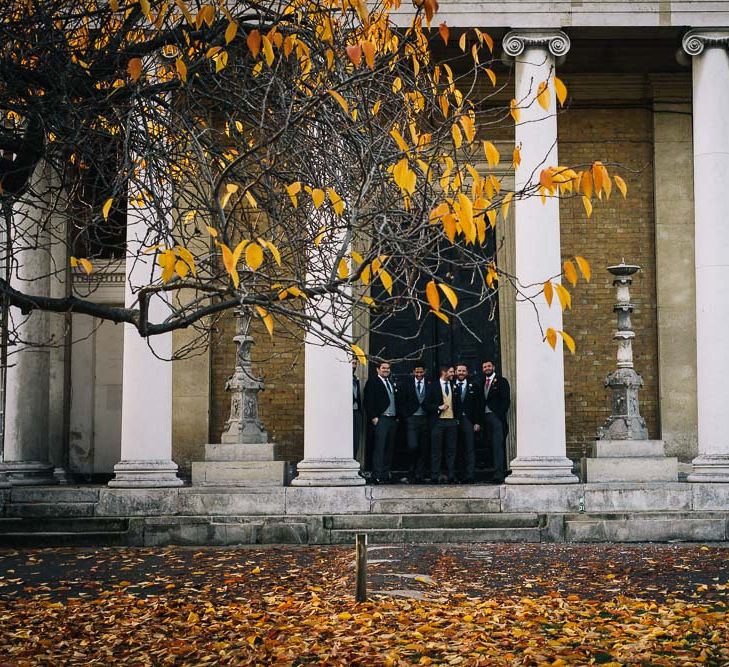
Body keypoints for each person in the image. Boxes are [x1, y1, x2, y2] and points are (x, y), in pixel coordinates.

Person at [363, 361, 399, 484]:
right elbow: (368, 400)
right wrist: (373, 417)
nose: (386, 370)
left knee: (389, 448)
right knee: (380, 448)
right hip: (381, 419)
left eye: (388, 368)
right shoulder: (372, 382)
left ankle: (385, 474)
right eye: (383, 368)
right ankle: (377, 475)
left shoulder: (390, 382)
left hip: (392, 419)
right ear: (378, 369)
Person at [425, 364, 458, 483]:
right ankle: (434, 475)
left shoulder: (454, 385)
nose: (453, 374)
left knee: (451, 450)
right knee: (436, 450)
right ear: (444, 372)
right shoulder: (432, 386)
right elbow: (426, 404)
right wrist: (439, 407)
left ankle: (451, 475)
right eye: (451, 372)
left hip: (452, 422)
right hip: (437, 422)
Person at [399, 363, 430, 483]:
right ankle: (410, 471)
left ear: (424, 371)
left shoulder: (430, 383)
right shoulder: (407, 384)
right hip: (412, 419)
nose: (419, 374)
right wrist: (407, 416)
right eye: (417, 372)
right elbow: (402, 402)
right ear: (413, 372)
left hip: (425, 419)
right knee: (412, 446)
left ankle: (419, 474)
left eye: (421, 372)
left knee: (423, 447)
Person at [482, 359, 511, 483]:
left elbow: (506, 400)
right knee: (489, 446)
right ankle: (491, 473)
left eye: (488, 366)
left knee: (497, 446)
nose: (487, 368)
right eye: (484, 367)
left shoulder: (502, 381)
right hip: (484, 419)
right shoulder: (480, 381)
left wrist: (498, 415)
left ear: (493, 367)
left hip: (497, 418)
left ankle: (499, 475)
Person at [453, 363, 482, 483]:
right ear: (455, 372)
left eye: (463, 371)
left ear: (467, 372)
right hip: (453, 421)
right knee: (456, 448)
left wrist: (477, 422)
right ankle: (458, 475)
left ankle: (470, 475)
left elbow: (479, 406)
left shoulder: (474, 386)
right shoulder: (450, 385)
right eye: (459, 370)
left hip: (469, 421)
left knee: (469, 448)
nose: (461, 373)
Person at [351, 358, 362, 461]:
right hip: (346, 413)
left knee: (356, 440)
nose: (354, 366)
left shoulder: (355, 379)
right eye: (352, 363)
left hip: (356, 411)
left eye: (355, 364)